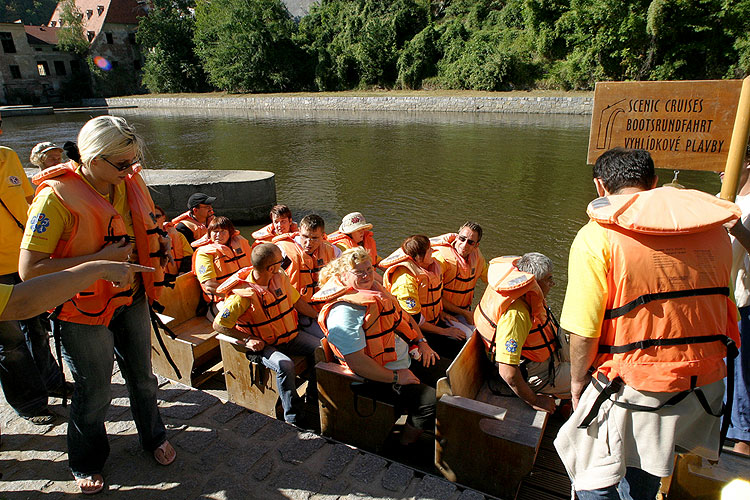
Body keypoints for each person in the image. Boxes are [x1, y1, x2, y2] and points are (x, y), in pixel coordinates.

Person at [553, 147, 741, 499]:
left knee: (591, 471)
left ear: (599, 187)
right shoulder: (714, 234)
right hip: (702, 383)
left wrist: (578, 383)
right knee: (651, 464)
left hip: (631, 383)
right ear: (654, 183)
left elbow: (584, 330)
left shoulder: (597, 237)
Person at [19, 116, 176, 495]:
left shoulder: (129, 180)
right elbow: (30, 269)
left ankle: (153, 436)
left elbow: (149, 222)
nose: (129, 171)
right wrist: (101, 259)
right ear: (91, 157)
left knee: (143, 376)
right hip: (82, 311)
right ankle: (86, 460)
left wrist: (162, 242)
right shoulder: (54, 197)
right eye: (121, 165)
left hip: (132, 296)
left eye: (133, 162)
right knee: (94, 391)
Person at [314, 246, 440, 445]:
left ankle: (430, 425)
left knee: (441, 372)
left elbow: (404, 318)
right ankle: (403, 448)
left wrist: (421, 342)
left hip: (398, 360)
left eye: (369, 269)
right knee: (429, 402)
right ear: (344, 275)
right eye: (359, 272)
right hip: (370, 379)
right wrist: (397, 377)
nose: (366, 275)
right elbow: (357, 362)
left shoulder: (375, 291)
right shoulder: (343, 312)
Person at [0, 113, 67, 426]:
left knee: (38, 329)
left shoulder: (8, 157)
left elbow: (30, 205)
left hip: (24, 261)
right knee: (10, 344)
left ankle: (51, 380)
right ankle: (30, 403)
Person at [212, 243, 322, 427]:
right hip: (264, 345)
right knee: (285, 365)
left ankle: (312, 395)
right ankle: (293, 416)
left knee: (321, 348)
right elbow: (219, 325)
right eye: (281, 261)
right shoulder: (241, 296)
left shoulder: (280, 278)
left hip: (289, 336)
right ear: (271, 267)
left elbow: (297, 302)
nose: (283, 264)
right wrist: (247, 340)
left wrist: (319, 316)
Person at [474, 253, 570, 413]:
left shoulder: (525, 295)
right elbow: (508, 372)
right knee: (592, 381)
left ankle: (566, 404)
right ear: (535, 282)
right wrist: (534, 400)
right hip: (534, 375)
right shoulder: (516, 314)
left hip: (546, 359)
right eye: (548, 279)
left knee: (591, 357)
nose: (552, 284)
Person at [380, 235, 473, 360]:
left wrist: (442, 313)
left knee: (464, 340)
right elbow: (413, 319)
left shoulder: (432, 266)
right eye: (429, 250)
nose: (433, 251)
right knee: (452, 350)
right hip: (415, 332)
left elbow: (433, 296)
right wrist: (444, 331)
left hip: (433, 322)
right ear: (419, 257)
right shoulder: (406, 280)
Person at [274, 214, 340, 336]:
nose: (308, 243)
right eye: (304, 236)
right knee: (331, 337)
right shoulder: (283, 252)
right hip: (298, 312)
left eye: (315, 238)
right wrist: (316, 315)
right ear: (299, 231)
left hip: (324, 309)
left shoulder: (333, 251)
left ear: (323, 236)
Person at [725, 143, 750, 456]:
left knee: (743, 390)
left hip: (745, 306)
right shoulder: (725, 197)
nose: (724, 165)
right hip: (721, 304)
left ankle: (740, 461)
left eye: (731, 159)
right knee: (722, 384)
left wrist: (738, 229)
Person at [191, 216, 252, 319]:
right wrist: (236, 296)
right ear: (209, 234)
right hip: (221, 300)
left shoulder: (239, 244)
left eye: (223, 231)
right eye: (215, 231)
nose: (219, 235)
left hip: (247, 292)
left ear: (230, 233)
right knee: (245, 316)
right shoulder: (204, 254)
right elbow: (210, 286)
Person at [430, 222, 488, 326]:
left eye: (470, 242)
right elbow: (431, 294)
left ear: (476, 245)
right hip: (441, 312)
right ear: (457, 237)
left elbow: (490, 278)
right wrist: (464, 313)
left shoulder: (478, 258)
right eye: (462, 238)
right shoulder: (441, 259)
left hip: (463, 311)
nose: (464, 244)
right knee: (466, 335)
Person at [154, 205, 193, 281]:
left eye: (157, 216)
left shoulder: (178, 235)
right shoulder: (142, 238)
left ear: (163, 218)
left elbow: (188, 256)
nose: (154, 220)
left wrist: (182, 273)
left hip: (178, 277)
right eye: (151, 217)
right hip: (156, 279)